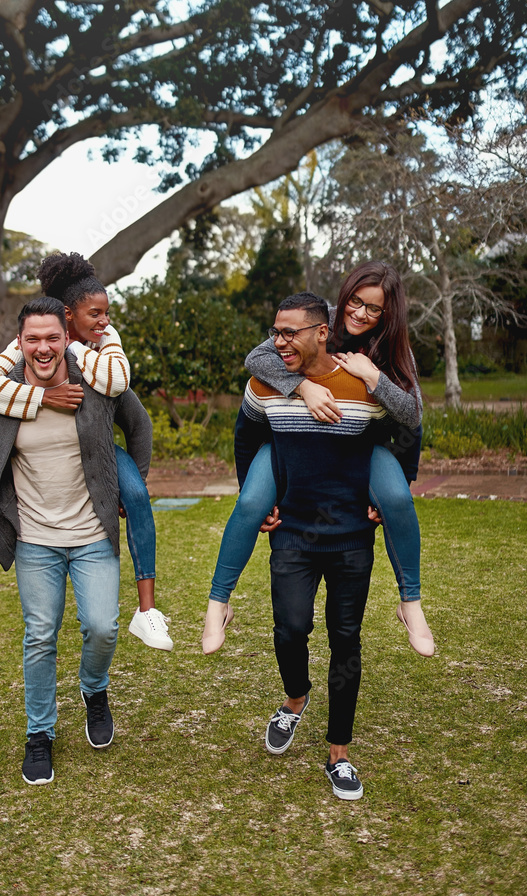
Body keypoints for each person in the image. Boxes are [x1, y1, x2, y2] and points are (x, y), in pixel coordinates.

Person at [202, 260, 433, 658]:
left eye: (373, 308)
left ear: (388, 313)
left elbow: (413, 416)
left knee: (396, 500)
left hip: (361, 444)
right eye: (355, 302)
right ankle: (218, 602)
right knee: (251, 503)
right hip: (292, 440)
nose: (360, 313)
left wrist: (373, 376)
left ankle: (410, 602)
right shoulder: (318, 318)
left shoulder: (394, 348)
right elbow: (257, 360)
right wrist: (302, 387)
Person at [0, 253, 172, 658]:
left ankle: (148, 608)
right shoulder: (27, 348)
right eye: (95, 314)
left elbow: (134, 415)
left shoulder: (101, 351)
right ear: (69, 316)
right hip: (37, 496)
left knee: (136, 496)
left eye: (106, 314)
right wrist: (46, 398)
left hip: (100, 453)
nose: (103, 321)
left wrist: (126, 479)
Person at [0, 296, 153, 784]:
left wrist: (127, 488)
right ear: (20, 343)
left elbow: (139, 429)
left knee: (102, 627)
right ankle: (40, 733)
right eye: (33, 338)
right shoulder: (0, 395)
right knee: (40, 636)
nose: (44, 347)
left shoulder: (95, 383)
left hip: (93, 533)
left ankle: (94, 689)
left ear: (67, 338)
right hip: (34, 539)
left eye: (53, 337)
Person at [235, 291, 401, 800]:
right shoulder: (266, 381)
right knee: (290, 628)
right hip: (292, 533)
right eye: (276, 331)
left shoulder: (364, 380)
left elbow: (404, 431)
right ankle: (295, 700)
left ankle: (339, 755)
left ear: (322, 331)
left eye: (290, 332)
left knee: (344, 640)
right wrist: (257, 497)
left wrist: (387, 494)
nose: (279, 341)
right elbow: (245, 438)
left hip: (352, 536)